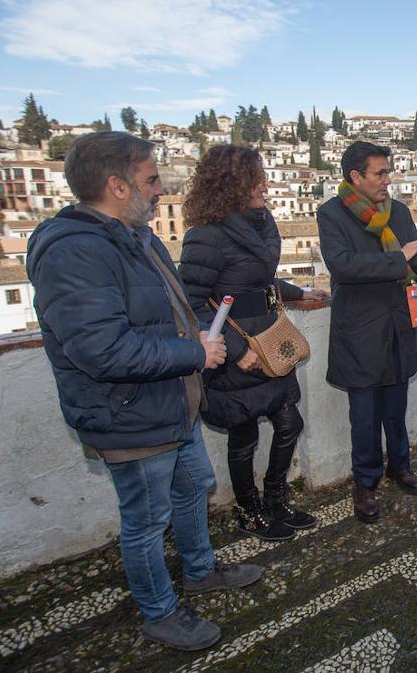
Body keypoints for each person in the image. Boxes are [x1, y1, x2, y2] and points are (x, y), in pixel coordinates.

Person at [27, 132, 261, 651]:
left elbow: (170, 314)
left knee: (193, 486)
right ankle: (159, 611)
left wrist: (195, 342)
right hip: (129, 414)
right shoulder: (74, 253)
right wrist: (195, 355)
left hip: (171, 404)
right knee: (146, 520)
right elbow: (102, 350)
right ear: (116, 185)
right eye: (151, 179)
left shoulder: (139, 238)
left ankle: (200, 570)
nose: (161, 190)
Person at [179, 144, 324, 542]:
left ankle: (276, 500)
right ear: (229, 184)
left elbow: (258, 284)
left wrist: (297, 293)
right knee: (244, 435)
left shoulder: (260, 224)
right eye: (253, 177)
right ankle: (249, 510)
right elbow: (190, 301)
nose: (263, 184)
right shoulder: (205, 237)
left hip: (269, 342)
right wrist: (236, 350)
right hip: (235, 348)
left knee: (289, 422)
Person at [317, 141, 417, 523]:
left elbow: (415, 253)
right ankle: (365, 484)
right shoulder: (332, 214)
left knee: (396, 407)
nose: (388, 180)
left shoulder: (398, 212)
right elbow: (344, 266)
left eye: (388, 172)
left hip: (397, 325)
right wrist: (398, 258)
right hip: (360, 331)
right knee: (365, 415)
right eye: (380, 173)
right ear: (356, 177)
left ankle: (399, 466)